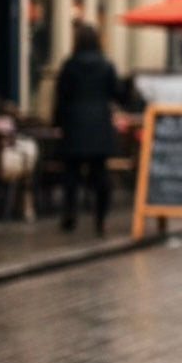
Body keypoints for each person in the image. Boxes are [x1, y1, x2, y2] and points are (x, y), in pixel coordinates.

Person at [53, 23, 121, 237]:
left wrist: (57, 124)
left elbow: (61, 97)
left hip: (74, 124)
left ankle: (70, 213)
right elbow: (117, 93)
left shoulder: (69, 65)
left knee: (71, 173)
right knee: (100, 173)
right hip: (99, 125)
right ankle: (100, 219)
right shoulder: (106, 65)